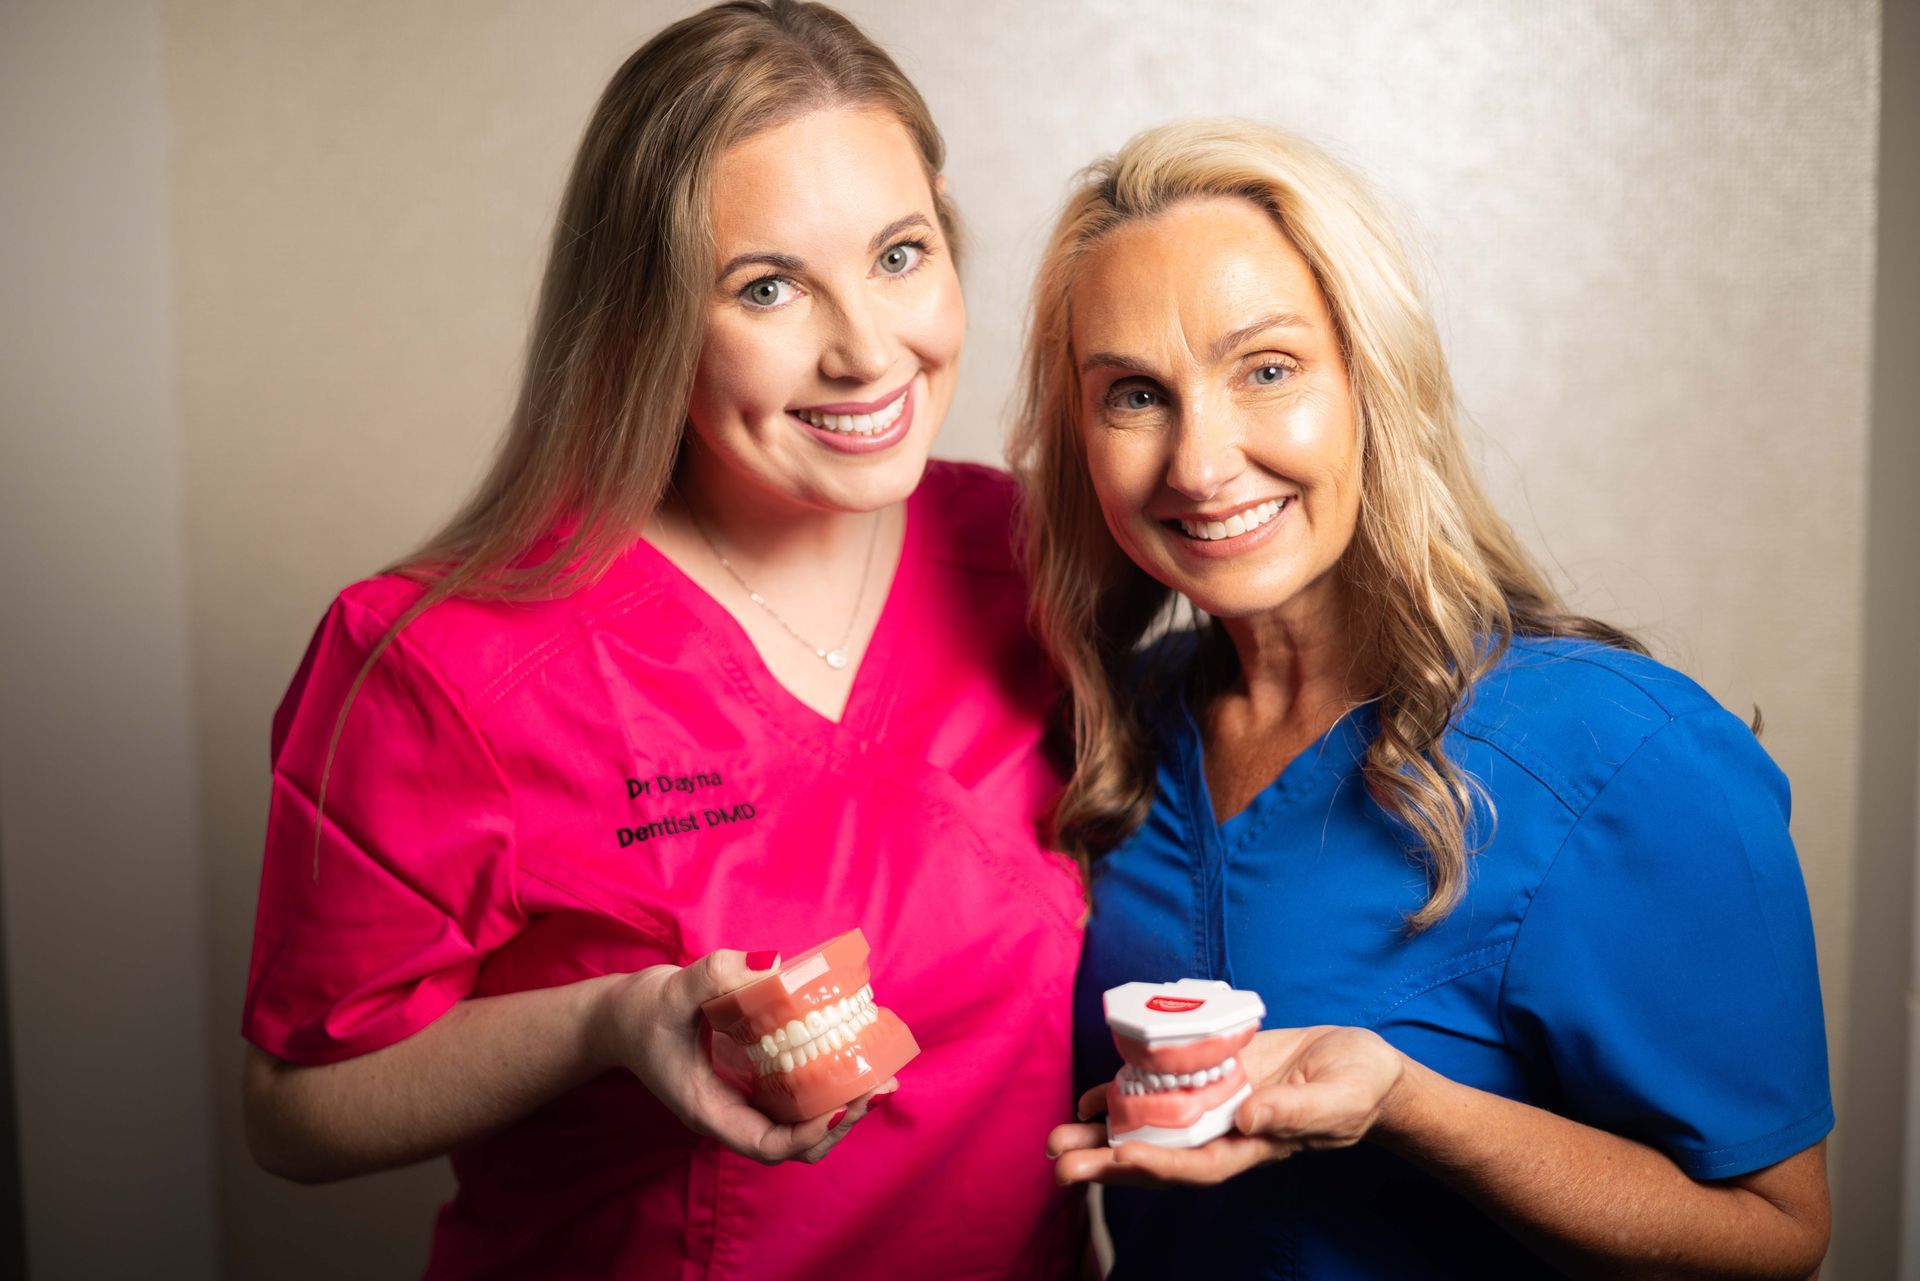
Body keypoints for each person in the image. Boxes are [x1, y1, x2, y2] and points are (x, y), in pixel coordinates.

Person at [239, 5, 1085, 1278]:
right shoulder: (436, 657)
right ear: (646, 320)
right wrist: (610, 1024)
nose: (867, 350)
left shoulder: (1038, 560)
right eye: (767, 286)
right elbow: (296, 1111)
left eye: (901, 255)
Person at [1017, 120, 1831, 1278]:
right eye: (1137, 395)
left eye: (1267, 369)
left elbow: (1777, 1235)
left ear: (1372, 381)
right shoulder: (1110, 734)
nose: (1199, 463)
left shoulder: (1615, 751)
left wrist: (1406, 1102)